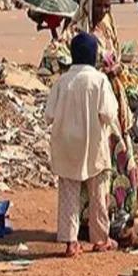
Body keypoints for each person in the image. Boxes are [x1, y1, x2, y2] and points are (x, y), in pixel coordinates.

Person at [66, 0, 138, 231]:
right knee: (95, 155)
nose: (103, 10)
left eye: (107, 5)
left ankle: (118, 210)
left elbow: (116, 57)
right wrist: (98, 71)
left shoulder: (108, 29)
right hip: (91, 99)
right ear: (88, 4)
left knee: (117, 151)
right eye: (99, 5)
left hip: (113, 96)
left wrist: (117, 68)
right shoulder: (77, 31)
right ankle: (90, 218)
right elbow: (67, 63)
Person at [45, 33, 120, 256]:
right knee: (98, 194)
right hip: (93, 144)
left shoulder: (62, 81)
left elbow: (49, 115)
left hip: (66, 144)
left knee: (69, 194)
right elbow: (108, 113)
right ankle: (100, 239)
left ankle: (71, 243)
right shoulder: (99, 81)